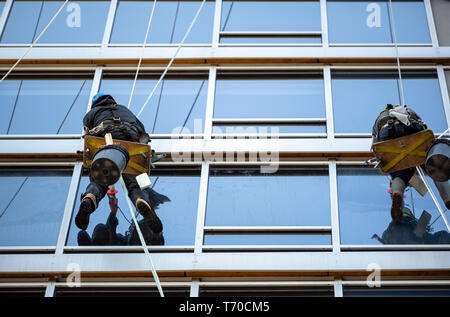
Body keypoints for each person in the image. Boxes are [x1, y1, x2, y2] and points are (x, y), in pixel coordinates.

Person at [75, 93, 163, 234]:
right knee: (135, 183)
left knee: (100, 180)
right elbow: (142, 130)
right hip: (130, 147)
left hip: (107, 145)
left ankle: (89, 198)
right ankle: (141, 200)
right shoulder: (125, 110)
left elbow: (87, 134)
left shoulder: (92, 113)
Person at [372, 104, 450, 222]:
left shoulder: (380, 120)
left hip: (388, 137)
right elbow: (423, 127)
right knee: (434, 166)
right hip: (412, 131)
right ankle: (448, 197)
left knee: (398, 174)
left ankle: (397, 193)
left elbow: (375, 144)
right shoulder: (408, 111)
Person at [77, 186, 168, 246]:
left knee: (99, 228)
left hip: (132, 244)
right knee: (100, 229)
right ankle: (148, 210)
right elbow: (111, 235)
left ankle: (89, 200)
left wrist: (113, 212)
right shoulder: (107, 240)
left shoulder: (104, 234)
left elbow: (111, 233)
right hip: (132, 245)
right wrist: (113, 212)